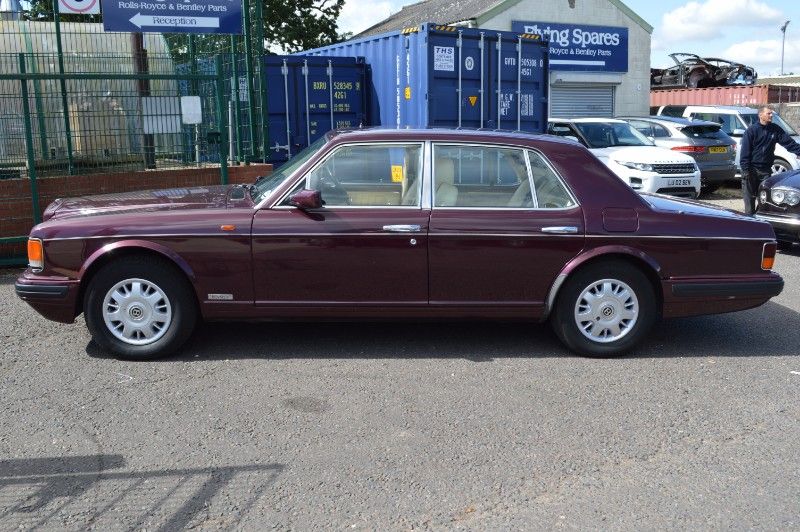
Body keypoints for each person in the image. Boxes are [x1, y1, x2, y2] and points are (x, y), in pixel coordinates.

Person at [739, 106, 800, 215]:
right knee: (749, 200)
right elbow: (745, 153)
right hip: (751, 170)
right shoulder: (751, 131)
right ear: (761, 115)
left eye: (771, 113)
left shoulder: (775, 129)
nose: (771, 115)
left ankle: (760, 222)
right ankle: (749, 222)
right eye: (769, 113)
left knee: (765, 199)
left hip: (765, 170)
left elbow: (789, 144)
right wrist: (745, 170)